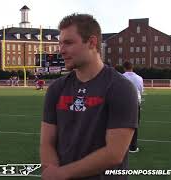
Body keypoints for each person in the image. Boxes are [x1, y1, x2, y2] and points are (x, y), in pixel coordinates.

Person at [40, 14, 138, 180]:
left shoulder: (121, 88)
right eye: (60, 43)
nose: (61, 50)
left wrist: (63, 174)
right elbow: (47, 142)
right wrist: (52, 170)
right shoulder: (56, 89)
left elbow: (114, 153)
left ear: (92, 42)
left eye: (69, 43)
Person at [122, 61, 144, 153]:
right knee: (134, 125)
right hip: (135, 102)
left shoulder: (120, 76)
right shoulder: (139, 78)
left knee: (120, 124)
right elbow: (140, 90)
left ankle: (121, 146)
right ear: (132, 67)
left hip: (122, 102)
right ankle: (133, 147)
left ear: (124, 67)